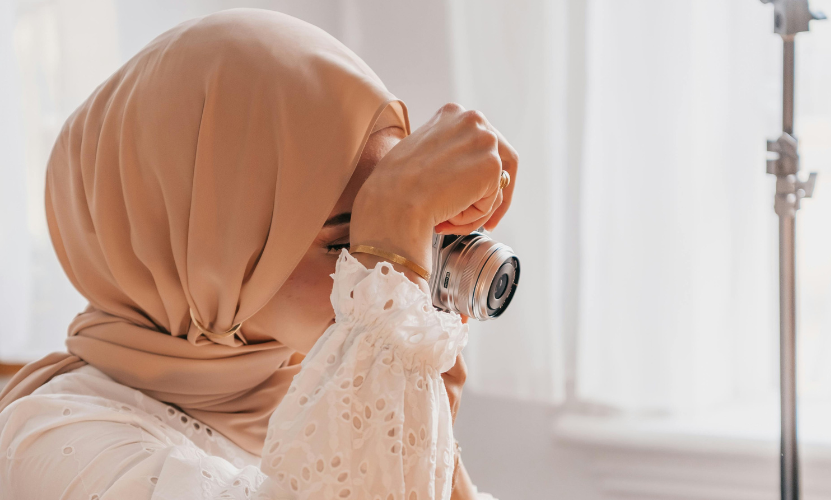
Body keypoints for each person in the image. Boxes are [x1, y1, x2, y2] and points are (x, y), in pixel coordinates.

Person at [0, 9, 517, 500]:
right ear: (207, 252)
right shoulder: (52, 438)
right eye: (346, 243)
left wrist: (415, 391)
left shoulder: (336, 387)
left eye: (395, 238)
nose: (382, 281)